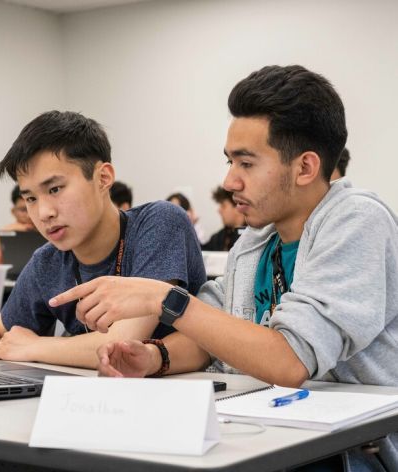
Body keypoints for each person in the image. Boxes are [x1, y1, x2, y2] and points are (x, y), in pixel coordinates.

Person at [51, 66, 398, 471]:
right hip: (273, 434)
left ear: (304, 168)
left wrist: (164, 298)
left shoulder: (357, 220)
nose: (230, 181)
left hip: (352, 453)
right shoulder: (255, 239)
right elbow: (211, 335)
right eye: (229, 161)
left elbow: (289, 362)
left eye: (246, 164)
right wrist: (152, 357)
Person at [0, 110, 206, 369]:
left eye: (55, 189)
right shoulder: (48, 260)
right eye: (31, 198)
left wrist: (35, 346)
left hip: (181, 394)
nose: (44, 213)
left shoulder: (159, 222)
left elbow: (122, 344)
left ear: (103, 178)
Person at [201, 186, 245, 251]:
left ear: (238, 207)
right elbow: (200, 252)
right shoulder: (218, 237)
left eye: (223, 206)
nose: (219, 210)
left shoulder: (254, 236)